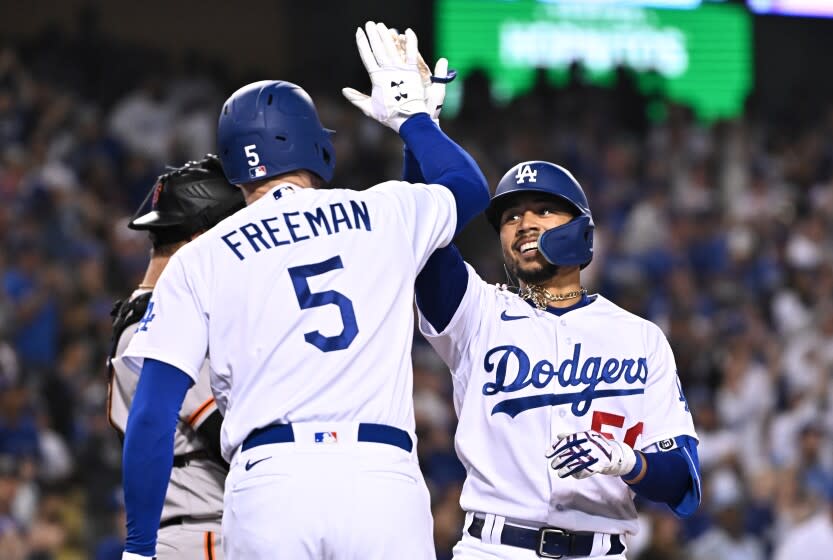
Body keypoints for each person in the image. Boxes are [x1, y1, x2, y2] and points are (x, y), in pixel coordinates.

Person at [118, 21, 489, 560]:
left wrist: (137, 548)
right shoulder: (380, 211)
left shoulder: (200, 257)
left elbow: (151, 413)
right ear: (317, 146)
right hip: (380, 479)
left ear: (232, 165)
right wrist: (415, 122)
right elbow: (466, 188)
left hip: (272, 482)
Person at [414, 160, 701, 559]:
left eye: (544, 210)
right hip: (495, 549)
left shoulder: (640, 337)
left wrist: (627, 461)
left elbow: (679, 476)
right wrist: (416, 130)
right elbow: (423, 234)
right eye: (511, 216)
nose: (524, 223)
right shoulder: (477, 314)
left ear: (581, 229)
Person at [107, 154, 245, 559]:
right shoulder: (159, 322)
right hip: (202, 535)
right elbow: (222, 431)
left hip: (198, 531)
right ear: (202, 238)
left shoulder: (148, 314)